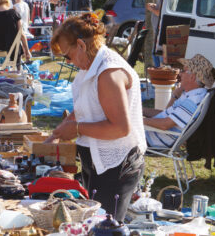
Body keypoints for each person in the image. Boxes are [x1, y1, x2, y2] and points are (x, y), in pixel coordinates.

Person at [47, 13, 146, 221]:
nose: (70, 62)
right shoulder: (91, 65)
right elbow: (86, 104)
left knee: (104, 228)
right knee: (93, 224)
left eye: (67, 56)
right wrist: (60, 129)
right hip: (100, 162)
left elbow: (120, 128)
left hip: (116, 165)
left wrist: (75, 129)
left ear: (81, 45)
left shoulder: (108, 73)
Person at [144, 54, 215, 147]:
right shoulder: (193, 94)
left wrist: (139, 120)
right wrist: (142, 110)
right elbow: (168, 113)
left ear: (192, 77)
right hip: (152, 135)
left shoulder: (193, 100)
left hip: (151, 140)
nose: (180, 74)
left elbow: (165, 124)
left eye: (183, 71)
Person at [0, 0, 32, 66]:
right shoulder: (14, 13)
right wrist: (27, 51)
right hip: (14, 50)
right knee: (15, 74)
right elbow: (21, 34)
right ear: (7, 1)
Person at [146, 0, 178, 67]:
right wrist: (155, 6)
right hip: (162, 29)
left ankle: (160, 76)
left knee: (159, 55)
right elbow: (163, 9)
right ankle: (159, 75)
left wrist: (150, 8)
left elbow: (160, 13)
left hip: (162, 30)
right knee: (157, 54)